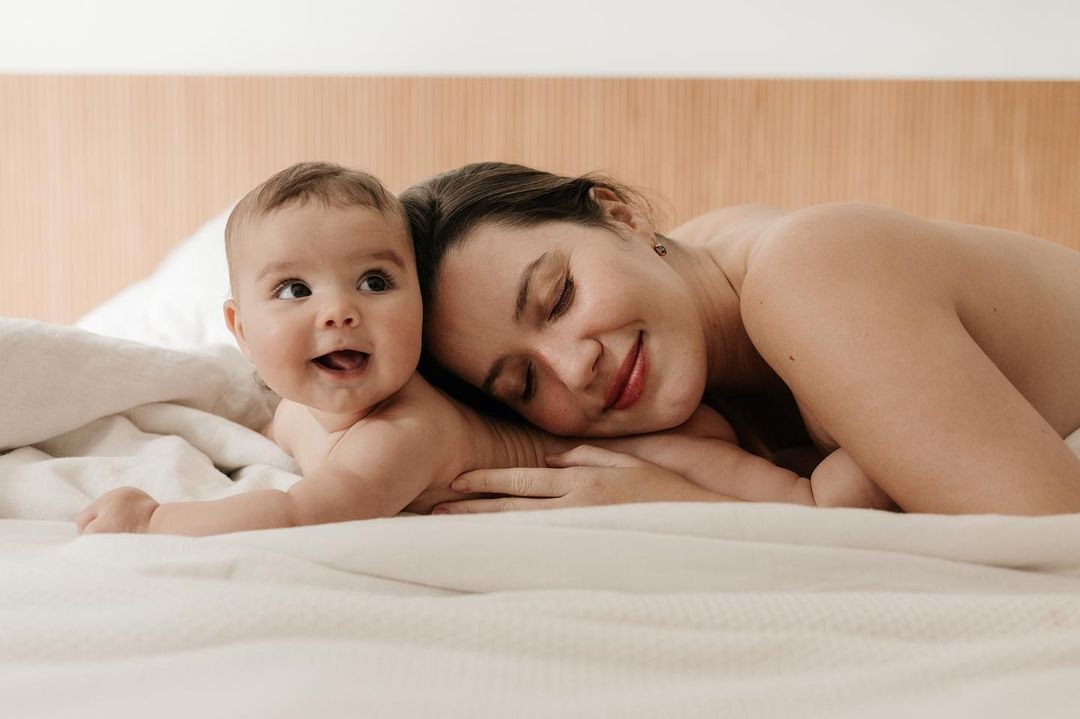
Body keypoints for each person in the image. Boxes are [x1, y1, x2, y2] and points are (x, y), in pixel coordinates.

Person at [77, 162, 865, 537]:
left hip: (645, 455)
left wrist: (153, 523)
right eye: (294, 292)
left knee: (810, 503)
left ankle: (882, 429)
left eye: (376, 283)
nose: (340, 314)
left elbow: (299, 514)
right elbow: (289, 419)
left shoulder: (399, 436)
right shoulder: (306, 403)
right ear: (239, 330)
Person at [400, 162, 1080, 516]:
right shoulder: (692, 304)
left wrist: (685, 509)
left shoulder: (802, 271)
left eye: (560, 297)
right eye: (523, 382)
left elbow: (1051, 535)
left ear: (622, 214)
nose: (573, 367)